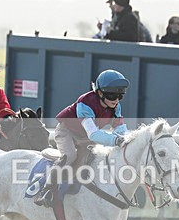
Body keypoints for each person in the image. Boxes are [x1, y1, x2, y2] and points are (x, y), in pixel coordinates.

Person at [34, 69, 130, 207]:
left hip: (84, 136)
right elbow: (94, 134)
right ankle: (46, 190)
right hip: (67, 131)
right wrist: (115, 140)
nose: (116, 100)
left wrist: (128, 140)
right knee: (70, 155)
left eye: (120, 96)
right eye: (112, 95)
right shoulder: (85, 102)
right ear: (99, 93)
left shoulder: (116, 107)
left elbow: (121, 130)